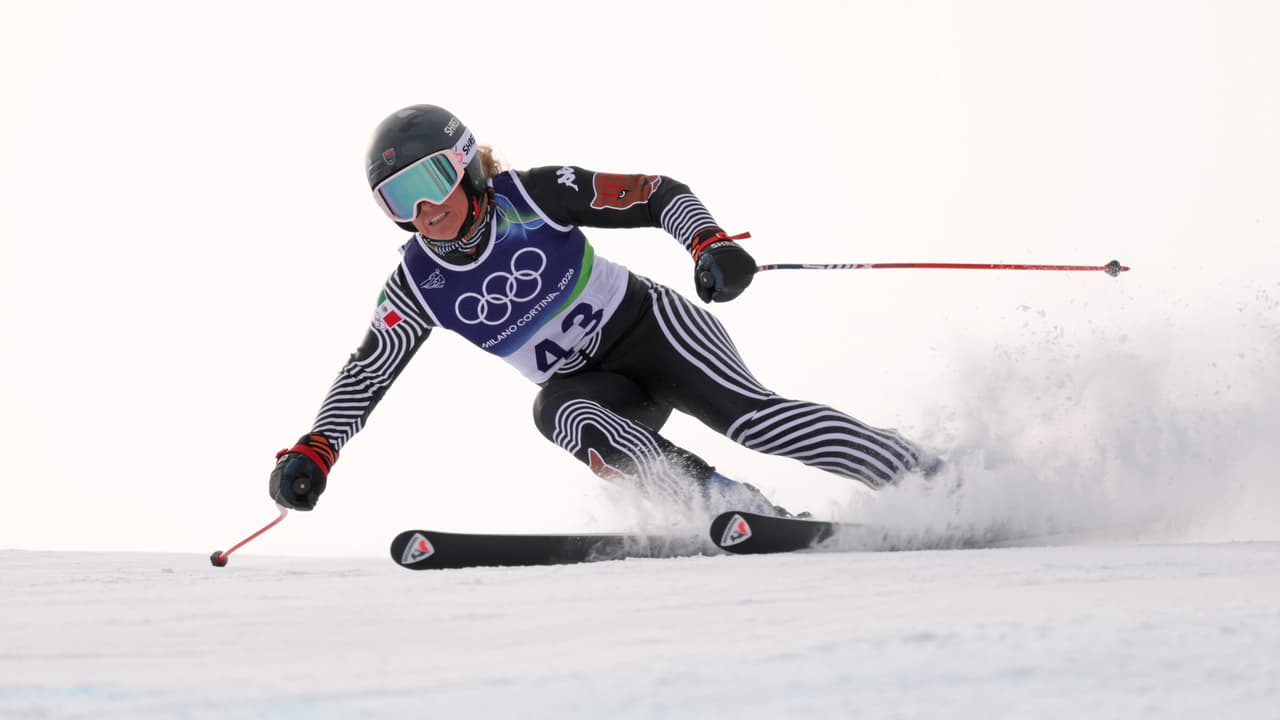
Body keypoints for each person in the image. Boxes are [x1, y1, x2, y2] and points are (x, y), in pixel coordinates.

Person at [269, 104, 925, 517]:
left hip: (654, 331)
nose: (424, 212)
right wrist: (317, 450)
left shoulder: (531, 195)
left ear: (467, 168)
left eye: (431, 182)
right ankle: (732, 508)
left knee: (755, 423)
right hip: (596, 388)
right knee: (558, 413)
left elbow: (652, 193)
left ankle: (921, 476)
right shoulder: (416, 283)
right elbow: (367, 372)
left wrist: (709, 243)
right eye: (398, 200)